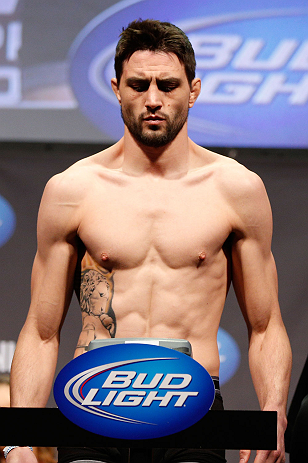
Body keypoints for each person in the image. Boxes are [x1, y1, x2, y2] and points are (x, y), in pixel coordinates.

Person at [7, 19, 291, 463]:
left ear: (193, 90)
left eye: (169, 85)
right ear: (117, 88)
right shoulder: (72, 190)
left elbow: (266, 324)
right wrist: (17, 436)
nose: (153, 100)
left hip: (192, 407)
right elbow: (41, 332)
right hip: (92, 400)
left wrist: (274, 413)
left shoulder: (236, 189)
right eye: (139, 85)